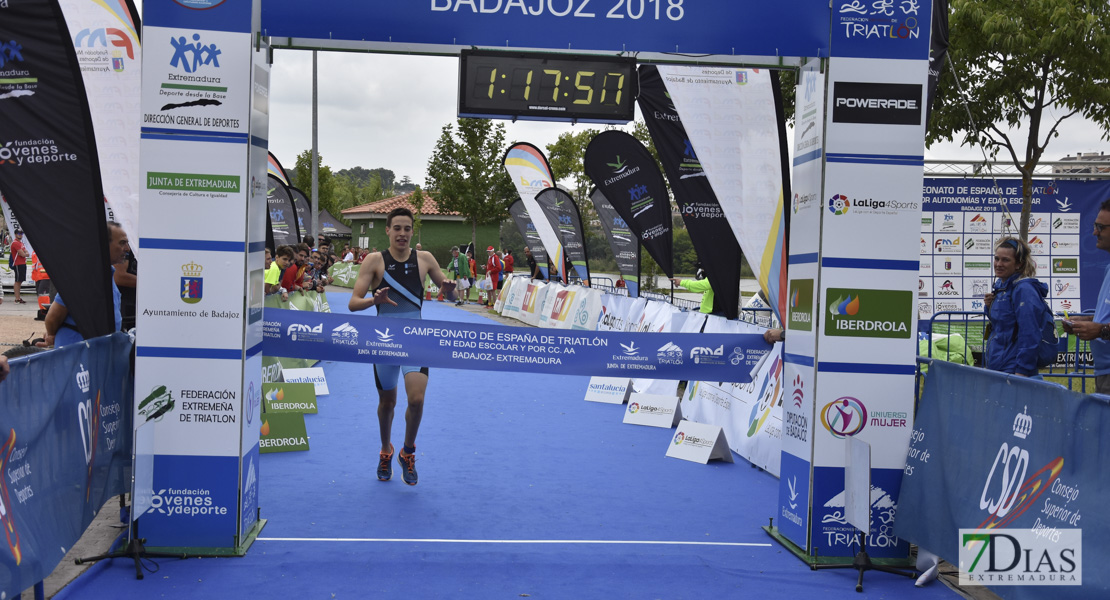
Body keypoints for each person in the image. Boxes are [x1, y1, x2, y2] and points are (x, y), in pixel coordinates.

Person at [349, 207, 455, 486]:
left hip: (415, 339)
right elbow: (353, 303)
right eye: (397, 228)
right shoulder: (374, 261)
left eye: (407, 228)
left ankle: (408, 452)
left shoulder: (425, 259)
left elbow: (449, 291)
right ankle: (386, 450)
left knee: (417, 400)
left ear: (412, 232)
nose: (402, 234)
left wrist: (450, 288)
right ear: (387, 230)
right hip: (383, 340)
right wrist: (375, 300)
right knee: (388, 402)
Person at [40, 222, 129, 348]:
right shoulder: (84, 275)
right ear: (103, 243)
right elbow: (53, 317)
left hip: (96, 354)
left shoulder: (106, 274)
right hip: (77, 357)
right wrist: (52, 335)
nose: (127, 248)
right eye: (122, 243)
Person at [983, 237, 1046, 377]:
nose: (998, 264)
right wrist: (989, 307)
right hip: (997, 365)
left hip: (1013, 369)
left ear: (1019, 264)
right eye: (996, 258)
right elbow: (1003, 324)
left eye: (1005, 260)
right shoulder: (1001, 287)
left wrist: (1022, 371)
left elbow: (1030, 333)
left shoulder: (1024, 289)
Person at [1064, 199, 1110, 393]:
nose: (1094, 232)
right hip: (1104, 371)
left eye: (1100, 227)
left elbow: (1103, 327)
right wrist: (1087, 321)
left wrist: (1100, 331)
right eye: (1094, 226)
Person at [10, 230, 29, 304]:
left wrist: (24, 253)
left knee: (20, 281)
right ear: (15, 234)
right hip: (18, 264)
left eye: (21, 233)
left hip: (22, 263)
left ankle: (18, 298)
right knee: (17, 281)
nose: (20, 235)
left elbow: (27, 253)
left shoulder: (21, 243)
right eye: (19, 233)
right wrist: (24, 253)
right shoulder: (15, 243)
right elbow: (23, 254)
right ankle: (17, 299)